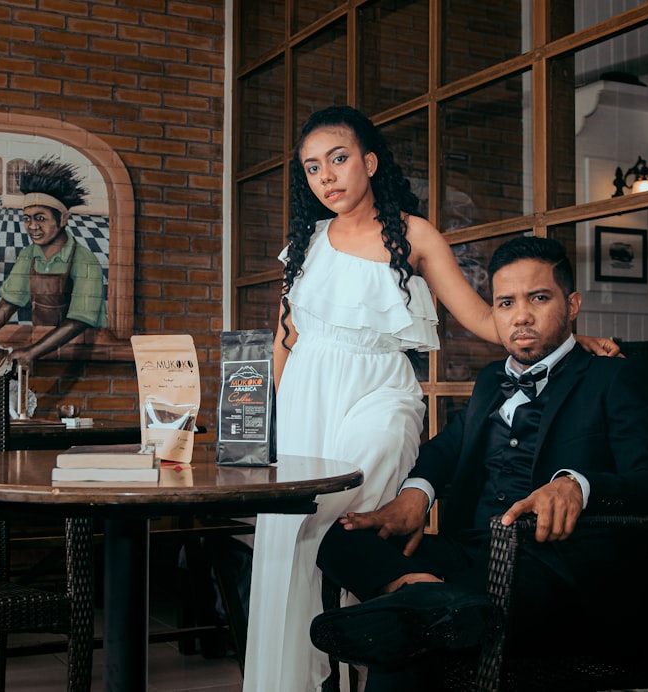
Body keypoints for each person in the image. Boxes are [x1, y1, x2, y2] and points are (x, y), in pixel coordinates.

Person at [241, 105, 620, 692]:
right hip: (304, 398)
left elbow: (480, 316)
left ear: (368, 161)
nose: (327, 176)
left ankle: (390, 638)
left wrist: (565, 337)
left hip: (376, 391)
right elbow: (284, 338)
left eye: (338, 159)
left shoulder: (413, 234)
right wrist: (270, 416)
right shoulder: (305, 242)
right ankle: (329, 665)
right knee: (298, 532)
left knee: (348, 508)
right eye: (313, 168)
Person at [309, 235, 648, 691]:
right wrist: (414, 496)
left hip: (556, 571)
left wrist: (578, 485)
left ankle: (420, 608)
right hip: (471, 555)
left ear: (573, 304)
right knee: (339, 538)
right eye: (505, 303)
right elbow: (446, 448)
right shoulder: (490, 380)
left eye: (539, 298)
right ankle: (431, 602)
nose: (521, 315)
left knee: (404, 642)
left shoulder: (614, 377)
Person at [0, 156, 107, 369]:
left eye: (40, 218)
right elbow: (8, 305)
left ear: (62, 219)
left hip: (81, 351)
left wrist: (32, 352)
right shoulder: (29, 255)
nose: (32, 226)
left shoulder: (84, 260)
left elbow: (78, 321)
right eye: (27, 218)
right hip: (45, 343)